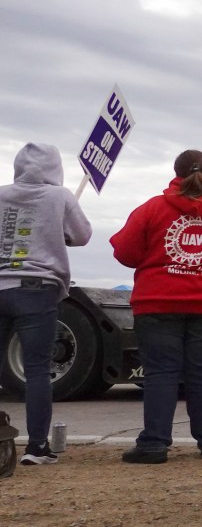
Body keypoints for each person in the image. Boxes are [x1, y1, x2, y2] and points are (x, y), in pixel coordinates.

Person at [110, 150, 202, 464]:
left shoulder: (152, 209)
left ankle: (154, 444)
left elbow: (125, 252)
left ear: (175, 173)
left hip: (157, 304)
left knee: (160, 374)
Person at [0, 143, 92, 466]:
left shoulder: (1, 194)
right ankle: (36, 446)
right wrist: (58, 234)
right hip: (37, 291)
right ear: (55, 167)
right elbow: (83, 235)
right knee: (37, 369)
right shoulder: (59, 196)